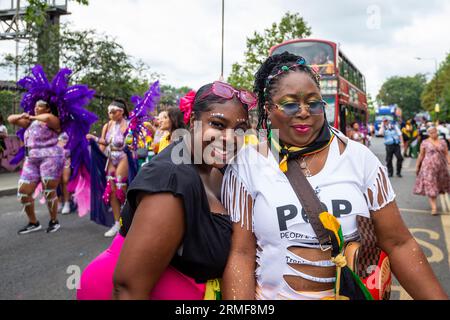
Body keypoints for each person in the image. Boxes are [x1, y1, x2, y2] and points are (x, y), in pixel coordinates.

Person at [221, 52, 447, 300]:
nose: (304, 111)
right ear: (267, 108)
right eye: (290, 104)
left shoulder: (360, 159)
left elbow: (399, 244)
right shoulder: (247, 165)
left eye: (314, 103)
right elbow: (241, 254)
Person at [77, 81, 256, 300]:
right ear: (192, 122)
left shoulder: (218, 169)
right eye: (218, 124)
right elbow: (127, 290)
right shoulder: (171, 182)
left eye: (239, 130)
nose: (230, 138)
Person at [414, 127, 450, 215]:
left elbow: (446, 153)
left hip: (441, 168)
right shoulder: (425, 143)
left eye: (434, 132)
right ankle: (434, 208)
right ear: (428, 134)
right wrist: (417, 166)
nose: (433, 134)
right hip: (428, 168)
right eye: (431, 132)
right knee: (431, 186)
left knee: (441, 185)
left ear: (437, 132)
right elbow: (421, 155)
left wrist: (449, 162)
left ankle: (436, 202)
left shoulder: (443, 142)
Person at [57, 132, 72, 215]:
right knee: (57, 182)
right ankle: (59, 202)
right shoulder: (50, 128)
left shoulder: (69, 128)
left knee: (65, 180)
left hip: (66, 158)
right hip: (54, 158)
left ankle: (67, 203)